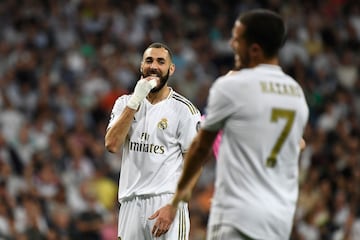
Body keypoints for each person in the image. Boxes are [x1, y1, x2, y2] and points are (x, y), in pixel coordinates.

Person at [169, 9, 309, 240]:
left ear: (254, 49)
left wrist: (178, 196)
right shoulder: (296, 93)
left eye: (237, 38)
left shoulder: (232, 86)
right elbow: (297, 146)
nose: (232, 44)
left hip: (238, 215)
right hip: (279, 218)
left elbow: (200, 147)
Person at [104, 42, 201, 239]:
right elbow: (112, 145)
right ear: (141, 66)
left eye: (160, 61)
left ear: (171, 69)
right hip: (130, 203)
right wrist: (135, 100)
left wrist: (173, 207)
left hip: (165, 202)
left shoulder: (184, 110)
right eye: (149, 60)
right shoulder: (124, 103)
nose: (154, 66)